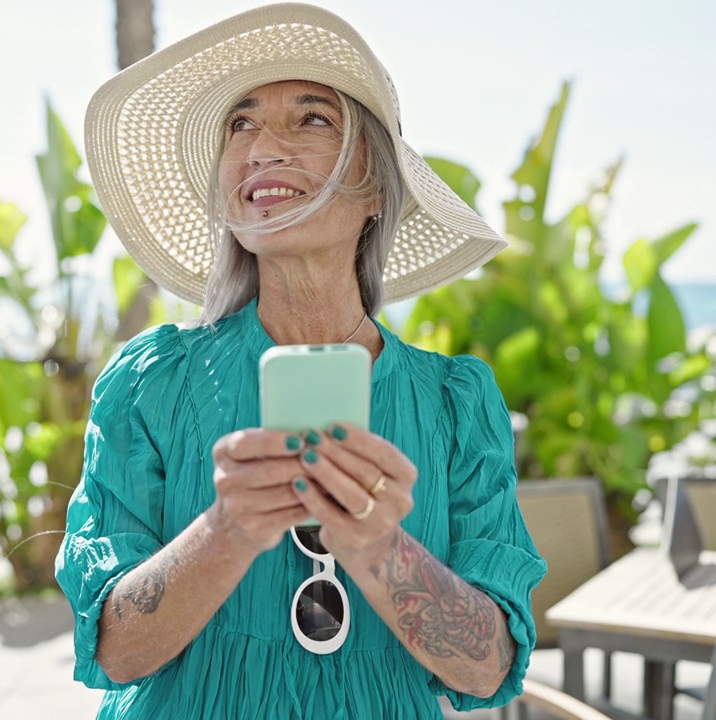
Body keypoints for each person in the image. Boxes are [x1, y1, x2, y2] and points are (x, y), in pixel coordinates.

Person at [56, 5, 546, 718]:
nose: (262, 147)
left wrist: (378, 548)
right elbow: (112, 651)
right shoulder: (149, 384)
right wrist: (227, 533)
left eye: (311, 119)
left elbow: (486, 670)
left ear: (378, 186)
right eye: (240, 123)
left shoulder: (454, 403)